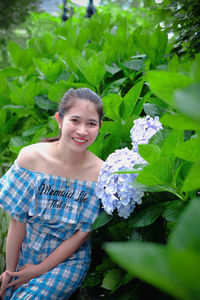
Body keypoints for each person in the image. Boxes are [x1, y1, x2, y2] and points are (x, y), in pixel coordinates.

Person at [0, 88, 104, 299]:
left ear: (99, 127)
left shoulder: (100, 173)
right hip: (28, 248)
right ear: (59, 120)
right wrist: (9, 273)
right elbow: (17, 220)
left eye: (91, 123)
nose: (82, 131)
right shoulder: (31, 158)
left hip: (68, 259)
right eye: (75, 120)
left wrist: (39, 270)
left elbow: (83, 232)